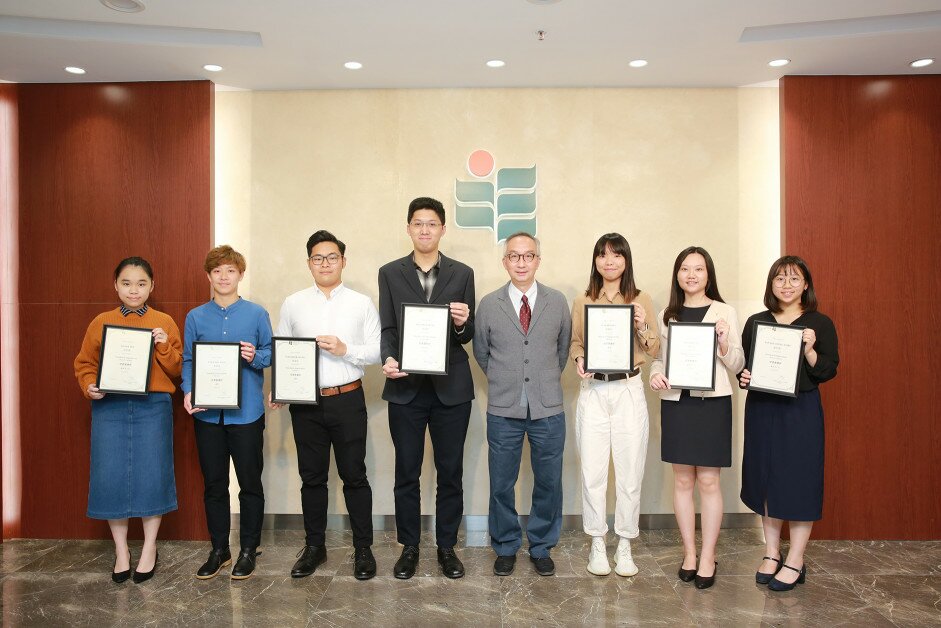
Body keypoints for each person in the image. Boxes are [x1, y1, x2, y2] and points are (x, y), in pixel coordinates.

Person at [273, 230, 381, 580]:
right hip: (306, 405)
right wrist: (281, 388)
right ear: (309, 263)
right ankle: (314, 547)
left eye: (332, 257)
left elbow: (378, 351)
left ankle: (363, 549)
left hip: (347, 398)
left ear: (343, 261)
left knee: (355, 476)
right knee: (312, 478)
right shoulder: (293, 303)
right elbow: (282, 350)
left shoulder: (361, 303)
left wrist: (344, 349)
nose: (325, 263)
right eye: (318, 258)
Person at [378, 197, 475, 579]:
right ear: (408, 228)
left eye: (431, 223)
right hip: (406, 388)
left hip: (452, 387)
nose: (424, 229)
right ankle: (410, 546)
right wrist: (388, 359)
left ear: (442, 229)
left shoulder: (462, 272)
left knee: (451, 471)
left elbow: (465, 334)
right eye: (417, 223)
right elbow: (388, 327)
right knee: (407, 470)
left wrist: (464, 322)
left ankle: (447, 547)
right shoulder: (389, 272)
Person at [73, 257, 182, 584]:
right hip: (111, 408)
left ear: (152, 286)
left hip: (153, 406)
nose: (134, 290)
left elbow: (177, 368)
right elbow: (84, 364)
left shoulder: (163, 321)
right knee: (110, 477)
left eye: (141, 284)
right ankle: (121, 550)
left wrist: (163, 345)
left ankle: (149, 548)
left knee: (153, 473)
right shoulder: (100, 321)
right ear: (115, 286)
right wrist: (89, 386)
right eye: (126, 283)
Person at [739, 255, 839, 592]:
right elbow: (744, 365)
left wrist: (810, 349)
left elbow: (827, 370)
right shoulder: (756, 322)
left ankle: (796, 558)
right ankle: (771, 553)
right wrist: (744, 376)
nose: (786, 285)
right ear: (771, 284)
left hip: (801, 411)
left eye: (794, 279)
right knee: (766, 478)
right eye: (780, 279)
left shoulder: (819, 323)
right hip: (763, 408)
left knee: (799, 480)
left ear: (806, 284)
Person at [474, 232, 571, 577]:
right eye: (514, 256)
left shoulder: (557, 302)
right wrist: (506, 380)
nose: (521, 262)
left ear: (537, 261)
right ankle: (505, 545)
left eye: (528, 256)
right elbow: (482, 353)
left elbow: (561, 352)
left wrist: (540, 381)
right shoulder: (489, 304)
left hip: (548, 409)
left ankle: (542, 545)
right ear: (505, 262)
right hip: (503, 409)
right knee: (502, 482)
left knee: (549, 481)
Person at [649, 246, 744, 589]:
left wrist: (722, 342)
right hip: (677, 404)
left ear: (708, 274)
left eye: (699, 269)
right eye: (685, 269)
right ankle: (689, 552)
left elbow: (737, 364)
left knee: (708, 482)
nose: (691, 275)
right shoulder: (666, 314)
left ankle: (708, 555)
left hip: (712, 405)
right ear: (677, 274)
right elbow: (659, 360)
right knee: (683, 482)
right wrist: (654, 376)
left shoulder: (725, 312)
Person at [569, 233, 660, 578]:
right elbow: (577, 343)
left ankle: (624, 543)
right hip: (593, 389)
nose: (609, 262)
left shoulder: (641, 299)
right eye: (603, 256)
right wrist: (580, 359)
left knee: (629, 471)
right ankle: (596, 542)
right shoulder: (583, 300)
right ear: (595, 261)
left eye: (616, 255)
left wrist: (641, 325)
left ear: (626, 260)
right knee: (593, 472)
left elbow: (653, 350)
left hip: (628, 389)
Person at [181, 245, 272, 580]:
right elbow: (188, 361)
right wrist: (188, 391)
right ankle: (219, 549)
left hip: (246, 414)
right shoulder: (195, 317)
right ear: (209, 276)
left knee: (249, 484)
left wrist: (255, 356)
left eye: (230, 271)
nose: (223, 277)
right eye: (217, 271)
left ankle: (248, 549)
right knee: (214, 485)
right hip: (207, 415)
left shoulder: (256, 313)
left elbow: (269, 354)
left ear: (240, 275)